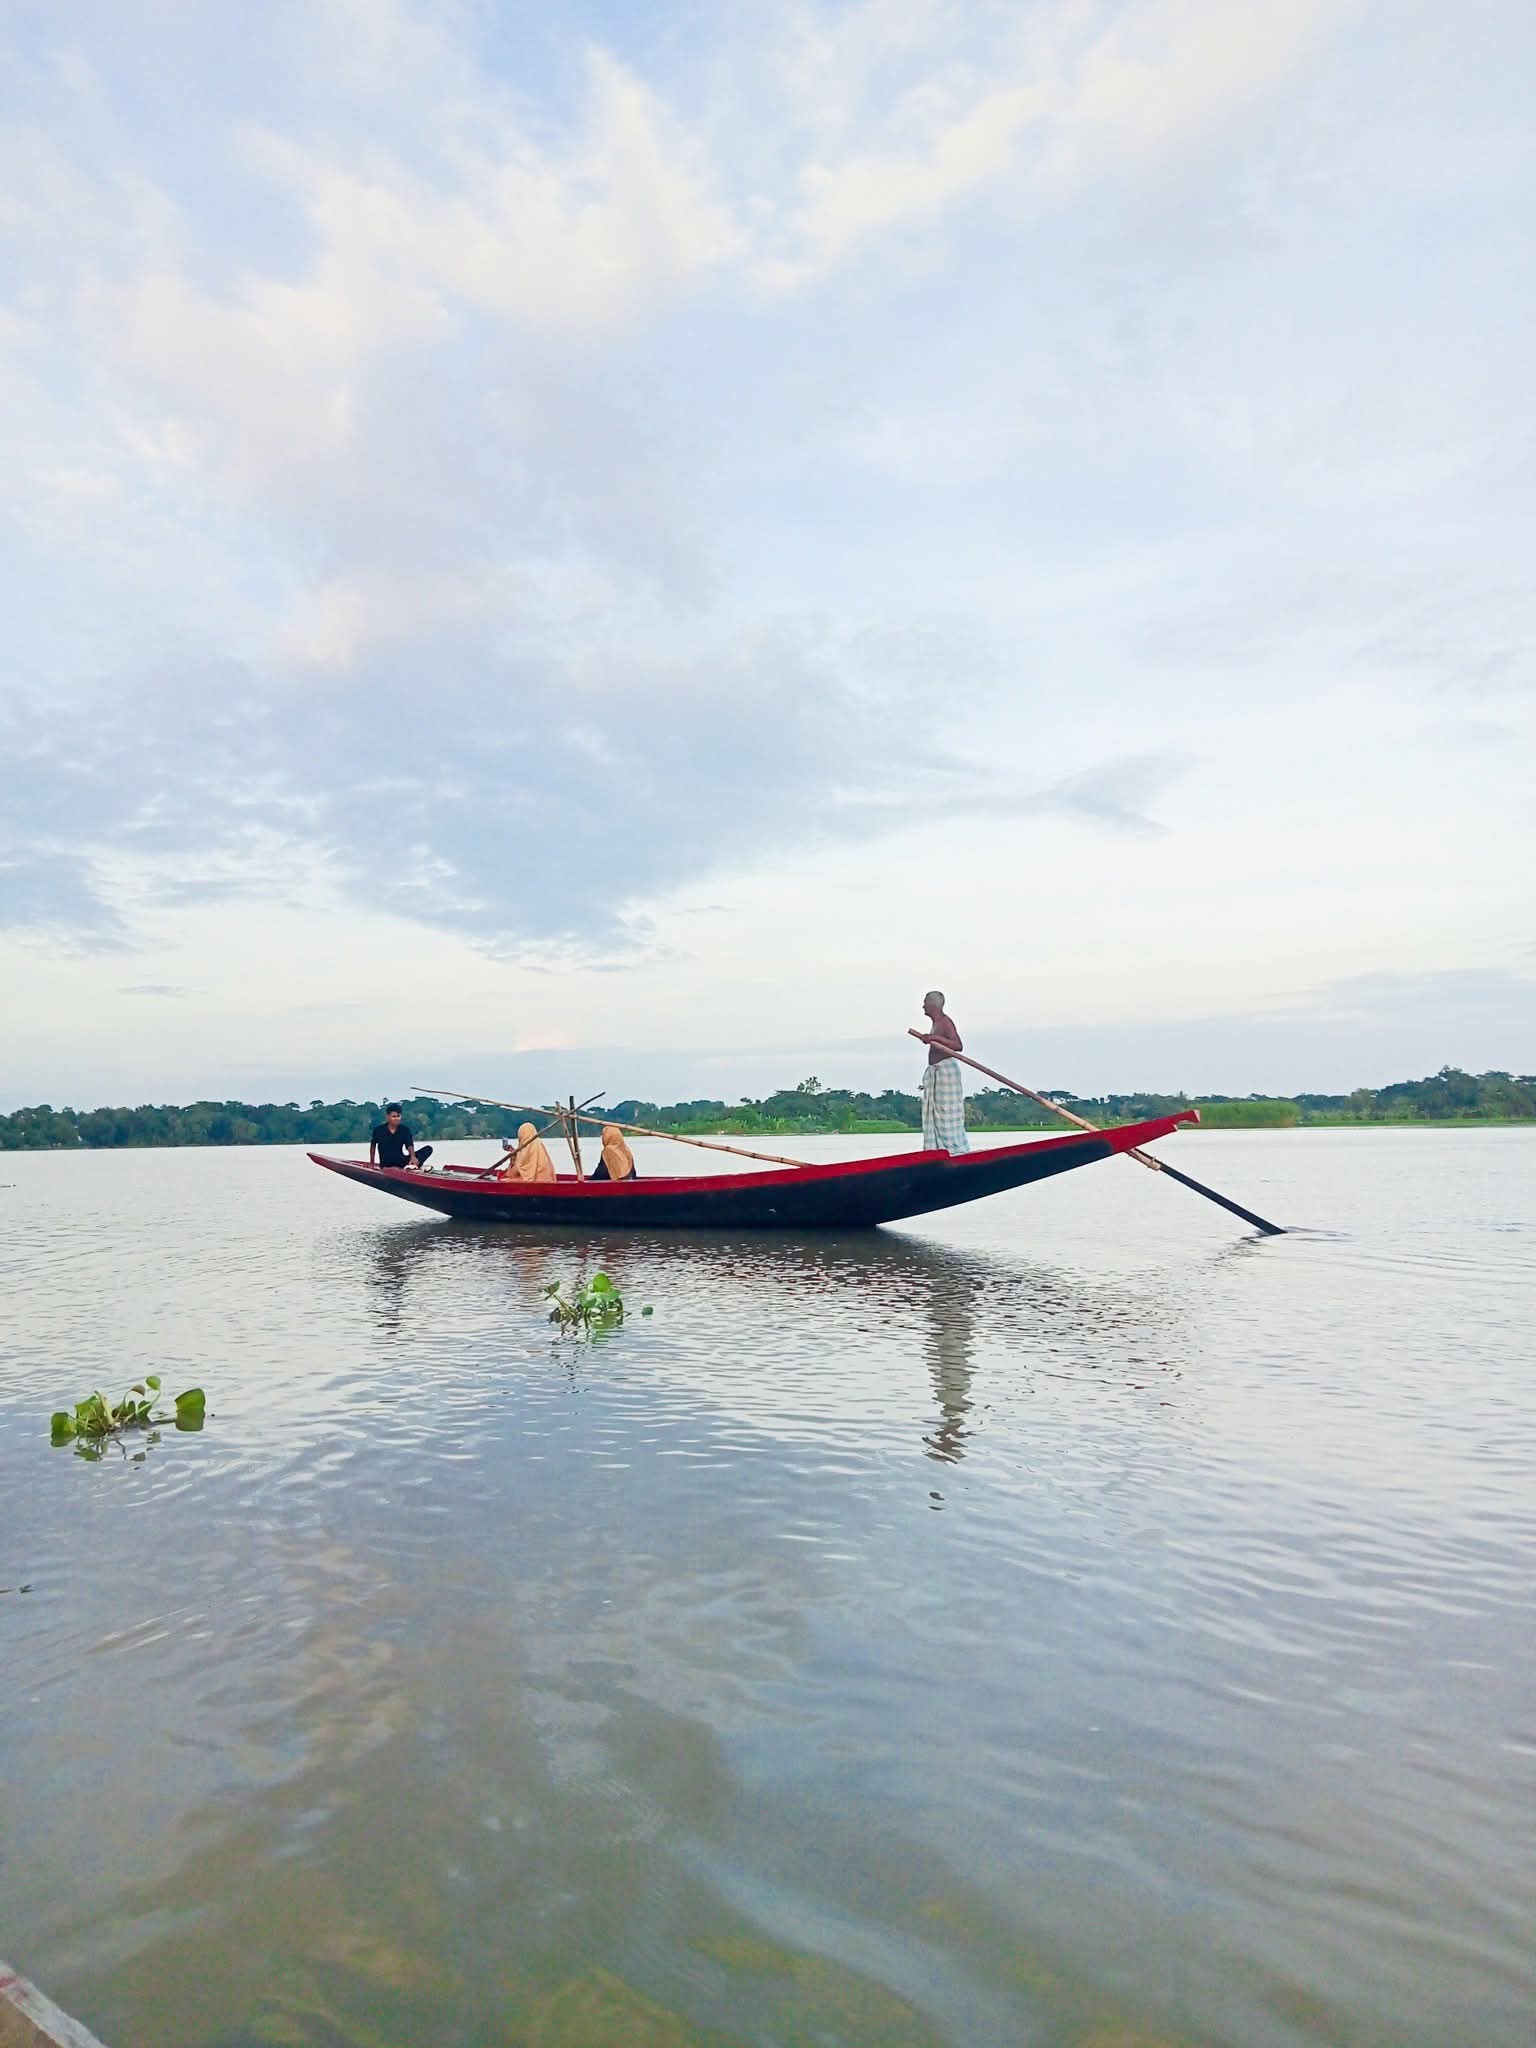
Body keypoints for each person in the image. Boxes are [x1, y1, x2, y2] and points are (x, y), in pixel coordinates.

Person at [915, 991, 970, 1154]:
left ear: (933, 1005)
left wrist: (934, 1038)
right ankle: (937, 1151)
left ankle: (955, 1151)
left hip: (946, 1071)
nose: (923, 1006)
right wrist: (931, 1037)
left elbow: (958, 1045)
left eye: (925, 1003)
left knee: (947, 1112)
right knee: (935, 1112)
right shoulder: (936, 1023)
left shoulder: (945, 1022)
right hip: (936, 1072)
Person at [370, 1104, 433, 1170]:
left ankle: (413, 1165)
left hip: (401, 1161)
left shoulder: (404, 1130)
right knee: (391, 1160)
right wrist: (372, 1162)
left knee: (428, 1149)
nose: (396, 1119)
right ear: (387, 1116)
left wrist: (413, 1157)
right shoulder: (379, 1130)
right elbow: (373, 1146)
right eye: (393, 1116)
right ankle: (415, 1166)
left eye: (398, 1116)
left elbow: (409, 1145)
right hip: (386, 1163)